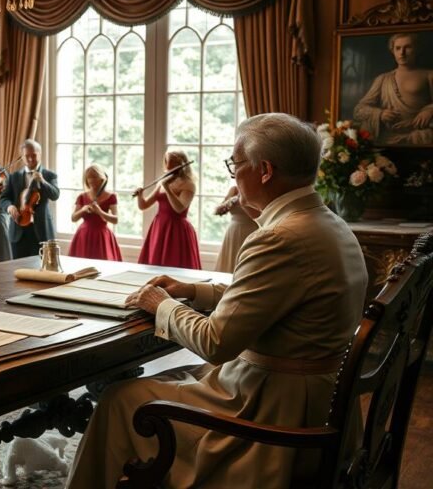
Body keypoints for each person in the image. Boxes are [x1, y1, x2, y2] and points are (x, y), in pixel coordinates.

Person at [67, 113, 368, 489]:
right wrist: (193, 290)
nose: (233, 174)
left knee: (117, 399)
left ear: (265, 171)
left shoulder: (278, 237)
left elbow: (215, 343)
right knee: (156, 384)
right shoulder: (329, 223)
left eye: (235, 164)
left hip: (267, 415)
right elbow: (274, 298)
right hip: (311, 397)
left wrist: (160, 303)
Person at [353, 32, 433, 146]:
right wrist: (380, 114)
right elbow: (359, 110)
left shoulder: (429, 75)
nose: (402, 53)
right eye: (398, 48)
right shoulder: (383, 79)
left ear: (417, 49)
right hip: (387, 138)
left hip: (419, 136)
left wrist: (430, 110)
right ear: (393, 51)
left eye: (408, 47)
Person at [136, 150, 201, 269]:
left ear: (181, 163)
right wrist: (140, 196)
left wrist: (167, 188)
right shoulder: (162, 182)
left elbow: (179, 209)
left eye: (172, 162)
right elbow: (144, 205)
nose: (168, 165)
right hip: (160, 226)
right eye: (167, 161)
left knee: (176, 266)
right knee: (155, 267)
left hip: (177, 229)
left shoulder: (188, 184)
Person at [1, 139, 60, 259]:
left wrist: (42, 181)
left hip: (41, 230)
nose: (30, 159)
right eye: (27, 156)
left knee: (42, 270)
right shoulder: (14, 177)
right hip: (18, 229)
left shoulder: (49, 175)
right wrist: (9, 206)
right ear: (22, 157)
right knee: (18, 269)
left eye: (34, 155)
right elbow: (4, 198)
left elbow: (55, 195)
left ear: (40, 154)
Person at [68, 164, 122, 261]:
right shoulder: (82, 196)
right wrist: (83, 210)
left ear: (101, 178)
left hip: (102, 236)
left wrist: (99, 211)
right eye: (89, 178)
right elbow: (73, 218)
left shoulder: (111, 196)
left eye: (94, 177)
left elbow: (115, 220)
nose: (91, 180)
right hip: (84, 235)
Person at [213, 185, 259, 273]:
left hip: (250, 229)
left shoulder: (258, 189)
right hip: (233, 230)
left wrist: (244, 201)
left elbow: (259, 214)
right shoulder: (234, 189)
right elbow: (218, 211)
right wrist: (231, 201)